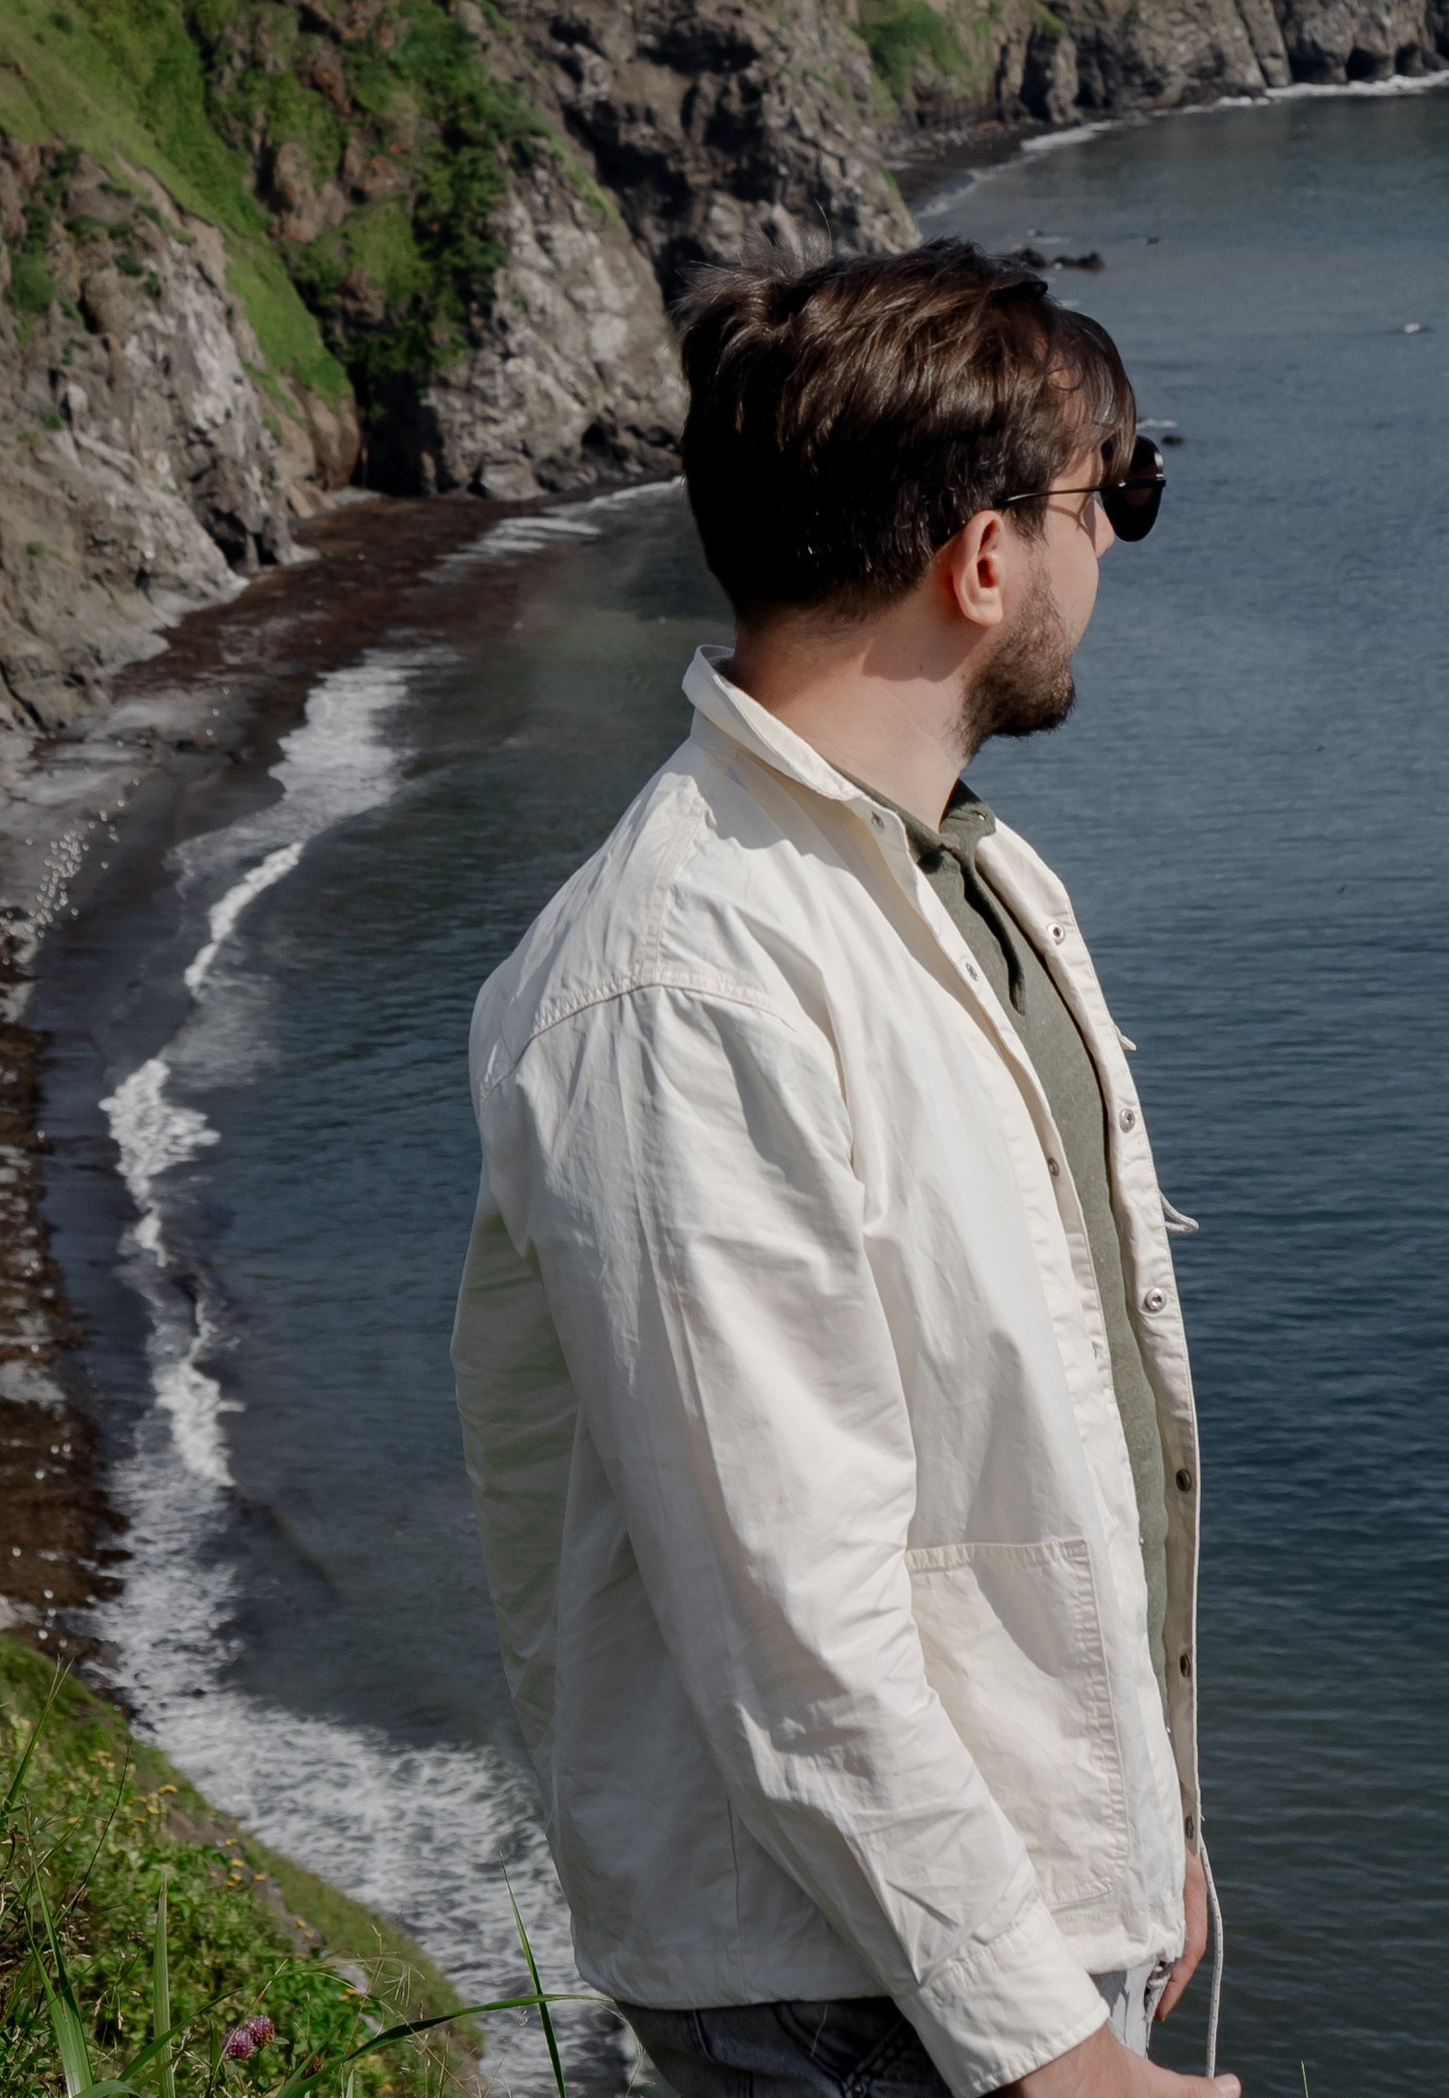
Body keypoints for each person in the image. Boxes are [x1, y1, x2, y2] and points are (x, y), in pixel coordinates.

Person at [451, 240, 1235, 2098]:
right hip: (857, 1997)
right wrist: (1052, 2049)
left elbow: (1054, 1426)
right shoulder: (680, 987)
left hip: (980, 1942)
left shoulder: (963, 879)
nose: (1114, 551)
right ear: (984, 559)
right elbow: (792, 1618)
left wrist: (1143, 1828)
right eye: (1108, 499)